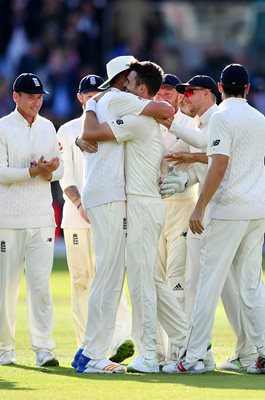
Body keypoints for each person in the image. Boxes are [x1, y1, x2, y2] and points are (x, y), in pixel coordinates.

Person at [78, 61, 190, 374]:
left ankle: (152, 353)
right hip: (123, 201)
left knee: (137, 280)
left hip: (133, 202)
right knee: (134, 279)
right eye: (126, 77)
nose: (129, 83)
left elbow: (158, 107)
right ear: (122, 80)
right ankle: (187, 345)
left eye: (132, 79)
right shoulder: (120, 102)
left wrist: (90, 106)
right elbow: (88, 133)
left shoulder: (126, 108)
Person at [163, 63, 265, 374]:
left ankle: (193, 357)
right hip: (256, 210)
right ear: (247, 89)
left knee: (208, 283)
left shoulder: (221, 117)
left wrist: (199, 207)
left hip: (229, 208)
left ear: (220, 89)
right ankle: (259, 353)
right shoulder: (259, 118)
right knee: (251, 286)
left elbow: (218, 163)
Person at [57, 74, 134, 365]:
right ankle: (84, 343)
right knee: (81, 281)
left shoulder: (109, 124)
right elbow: (65, 174)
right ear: (79, 97)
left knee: (112, 273)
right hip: (76, 216)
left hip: (106, 211)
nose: (92, 97)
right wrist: (78, 203)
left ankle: (119, 339)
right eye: (86, 94)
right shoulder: (66, 130)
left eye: (96, 93)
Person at [0, 73, 63, 367]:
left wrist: (48, 171)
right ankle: (4, 349)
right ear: (16, 97)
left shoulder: (48, 127)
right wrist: (31, 172)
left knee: (40, 286)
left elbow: (58, 170)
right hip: (8, 220)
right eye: (30, 97)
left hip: (41, 218)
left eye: (39, 98)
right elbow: (1, 173)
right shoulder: (2, 128)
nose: (35, 103)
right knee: (6, 289)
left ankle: (43, 349)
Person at [155, 73, 197, 367]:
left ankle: (178, 350)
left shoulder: (189, 126)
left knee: (176, 280)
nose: (162, 97)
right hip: (153, 209)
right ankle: (156, 350)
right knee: (154, 281)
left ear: (180, 97)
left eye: (168, 93)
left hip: (182, 206)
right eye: (159, 93)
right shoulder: (147, 123)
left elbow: (201, 165)